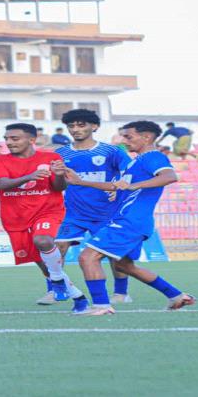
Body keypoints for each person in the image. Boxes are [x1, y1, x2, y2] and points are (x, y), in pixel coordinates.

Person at [68, 121, 195, 315]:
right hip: (130, 221)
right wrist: (80, 182)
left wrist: (134, 186)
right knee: (124, 265)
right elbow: (117, 186)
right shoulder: (135, 163)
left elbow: (170, 176)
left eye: (128, 136)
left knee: (88, 257)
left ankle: (101, 305)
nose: (124, 141)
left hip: (130, 222)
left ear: (146, 137)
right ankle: (176, 296)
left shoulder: (153, 157)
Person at [0, 123, 89, 313]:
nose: (9, 142)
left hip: (47, 210)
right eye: (6, 139)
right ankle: (76, 295)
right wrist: (30, 176)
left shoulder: (51, 158)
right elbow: (3, 184)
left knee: (43, 241)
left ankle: (56, 280)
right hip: (15, 216)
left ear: (31, 140)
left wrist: (59, 175)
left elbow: (59, 187)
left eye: (15, 138)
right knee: (40, 259)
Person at [54, 109, 132, 306]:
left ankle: (121, 293)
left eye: (81, 125)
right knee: (58, 247)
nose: (75, 129)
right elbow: (55, 182)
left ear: (94, 126)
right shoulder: (60, 154)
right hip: (73, 213)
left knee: (114, 254)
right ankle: (56, 290)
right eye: (71, 126)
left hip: (107, 212)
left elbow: (130, 174)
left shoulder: (111, 151)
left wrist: (119, 190)